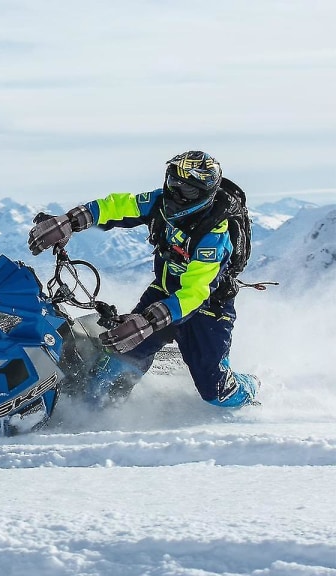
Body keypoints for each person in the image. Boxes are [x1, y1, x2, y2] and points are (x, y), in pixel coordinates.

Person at [27, 150, 259, 408]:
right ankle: (97, 414)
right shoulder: (160, 202)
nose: (177, 195)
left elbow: (195, 292)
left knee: (216, 392)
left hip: (207, 309)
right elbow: (118, 206)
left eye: (188, 191)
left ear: (206, 194)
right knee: (103, 380)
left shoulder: (215, 235)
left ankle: (252, 386)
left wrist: (147, 322)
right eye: (174, 184)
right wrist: (69, 221)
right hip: (163, 293)